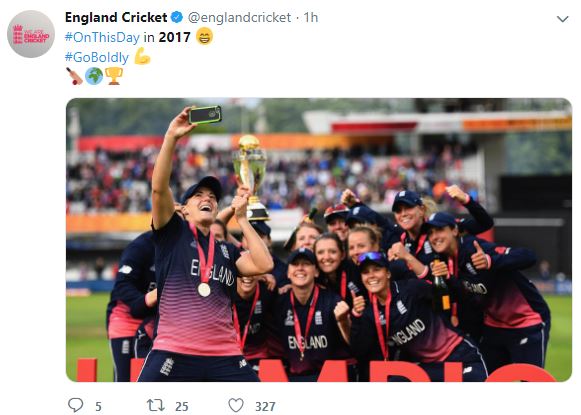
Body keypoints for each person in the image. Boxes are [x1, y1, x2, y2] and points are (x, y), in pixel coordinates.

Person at [138, 107, 273, 382]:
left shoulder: (225, 249)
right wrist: (171, 137)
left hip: (224, 354)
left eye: (212, 196)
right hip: (174, 350)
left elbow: (264, 264)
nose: (207, 199)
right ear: (183, 208)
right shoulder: (172, 233)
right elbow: (159, 188)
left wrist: (242, 219)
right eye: (198, 195)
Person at [425, 212, 551, 373]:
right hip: (494, 326)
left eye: (440, 230)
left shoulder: (474, 247)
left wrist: (490, 261)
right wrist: (448, 278)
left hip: (526, 321)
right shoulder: (444, 261)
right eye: (430, 233)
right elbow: (466, 296)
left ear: (455, 230)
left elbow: (528, 256)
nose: (434, 237)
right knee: (484, 378)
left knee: (531, 379)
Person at [346, 251, 488, 382]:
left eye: (377, 270)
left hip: (460, 354)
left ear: (388, 273)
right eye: (365, 272)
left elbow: (454, 297)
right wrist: (356, 316)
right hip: (430, 368)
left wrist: (447, 277)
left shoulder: (411, 288)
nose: (371, 276)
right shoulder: (371, 313)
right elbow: (360, 351)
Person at [274, 248, 350, 381]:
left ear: (316, 272)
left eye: (306, 264)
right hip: (292, 378)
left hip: (328, 378)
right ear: (288, 273)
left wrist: (344, 321)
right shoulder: (278, 302)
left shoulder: (332, 301)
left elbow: (352, 341)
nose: (300, 268)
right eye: (295, 264)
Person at [106, 231, 157, 381]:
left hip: (160, 321)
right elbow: (123, 284)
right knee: (125, 378)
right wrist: (145, 301)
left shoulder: (185, 244)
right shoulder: (140, 247)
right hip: (127, 319)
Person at [314, 232, 365, 306]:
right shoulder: (313, 279)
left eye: (333, 252)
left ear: (342, 255)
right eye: (320, 252)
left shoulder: (356, 271)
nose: (327, 257)